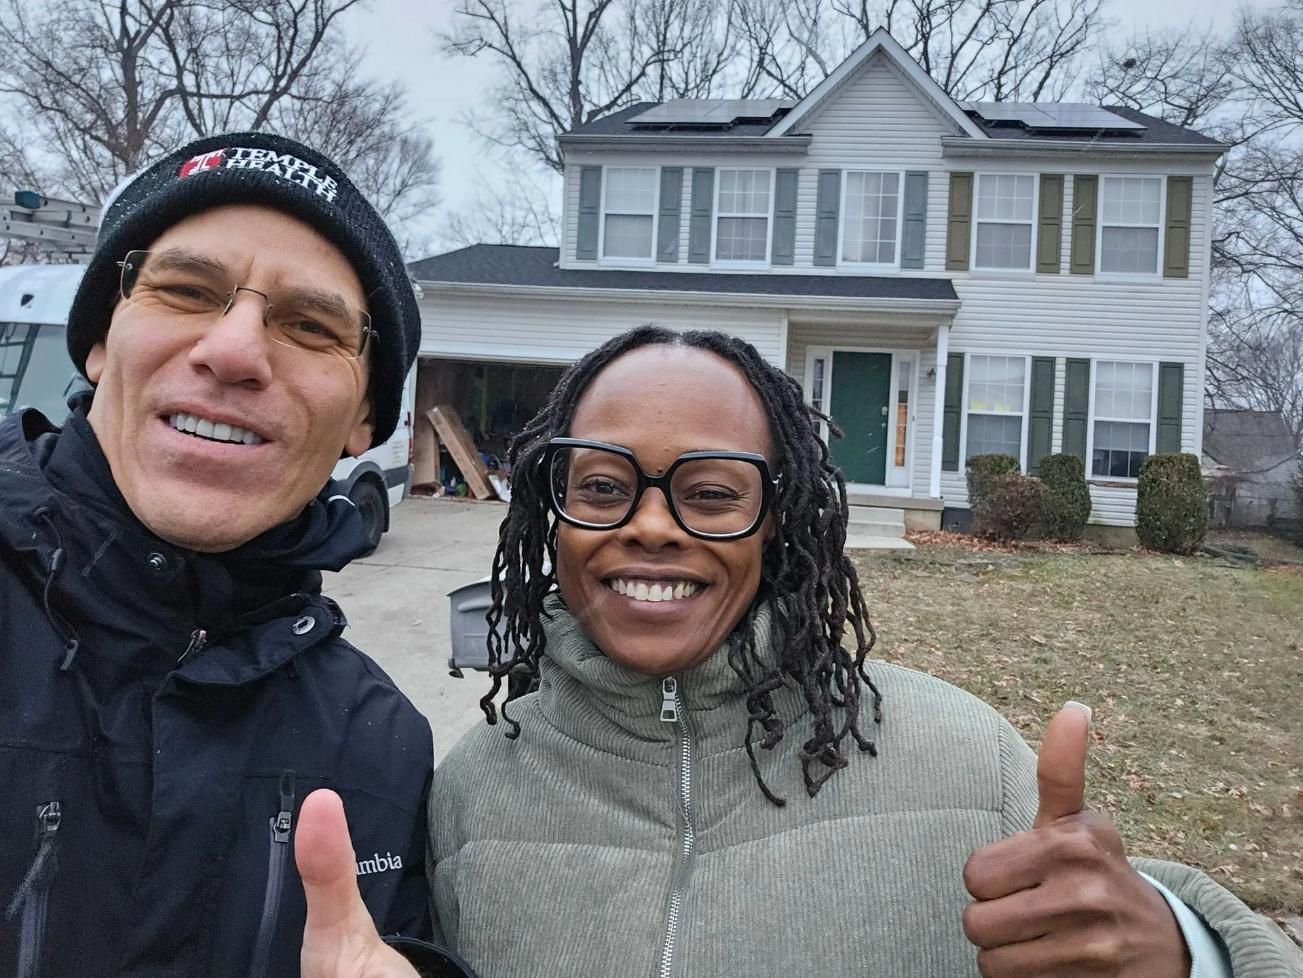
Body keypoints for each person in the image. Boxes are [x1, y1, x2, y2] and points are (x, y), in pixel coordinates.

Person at [294, 325, 1302, 977]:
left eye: (713, 492)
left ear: (782, 522)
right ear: (548, 516)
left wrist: (1185, 954)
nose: (650, 526)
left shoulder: (967, 762)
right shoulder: (472, 794)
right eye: (601, 486)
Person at [0, 132, 474, 978]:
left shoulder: (382, 744)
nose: (234, 350)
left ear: (366, 419)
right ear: (100, 341)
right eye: (186, 290)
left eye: (310, 324)